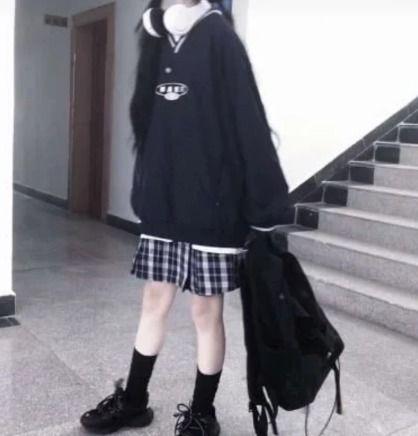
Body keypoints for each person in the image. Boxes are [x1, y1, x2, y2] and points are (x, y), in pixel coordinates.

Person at [79, 1, 290, 435]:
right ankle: (133, 402)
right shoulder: (156, 37)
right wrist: (145, 189)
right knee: (154, 300)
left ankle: (202, 414)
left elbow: (250, 123)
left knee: (205, 311)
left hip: (215, 208)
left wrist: (266, 209)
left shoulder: (220, 38)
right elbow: (147, 125)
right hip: (165, 206)